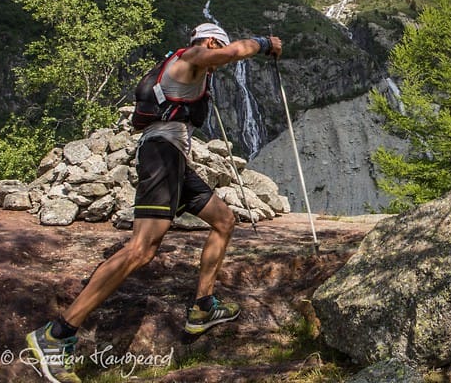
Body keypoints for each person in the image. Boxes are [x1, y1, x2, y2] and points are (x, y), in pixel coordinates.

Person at [25, 23, 282, 383]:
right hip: (162, 156)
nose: (215, 62)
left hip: (175, 159)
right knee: (141, 249)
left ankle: (202, 307)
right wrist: (262, 43)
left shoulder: (181, 67)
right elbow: (231, 53)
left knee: (224, 221)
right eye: (215, 49)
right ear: (209, 42)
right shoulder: (193, 56)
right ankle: (57, 334)